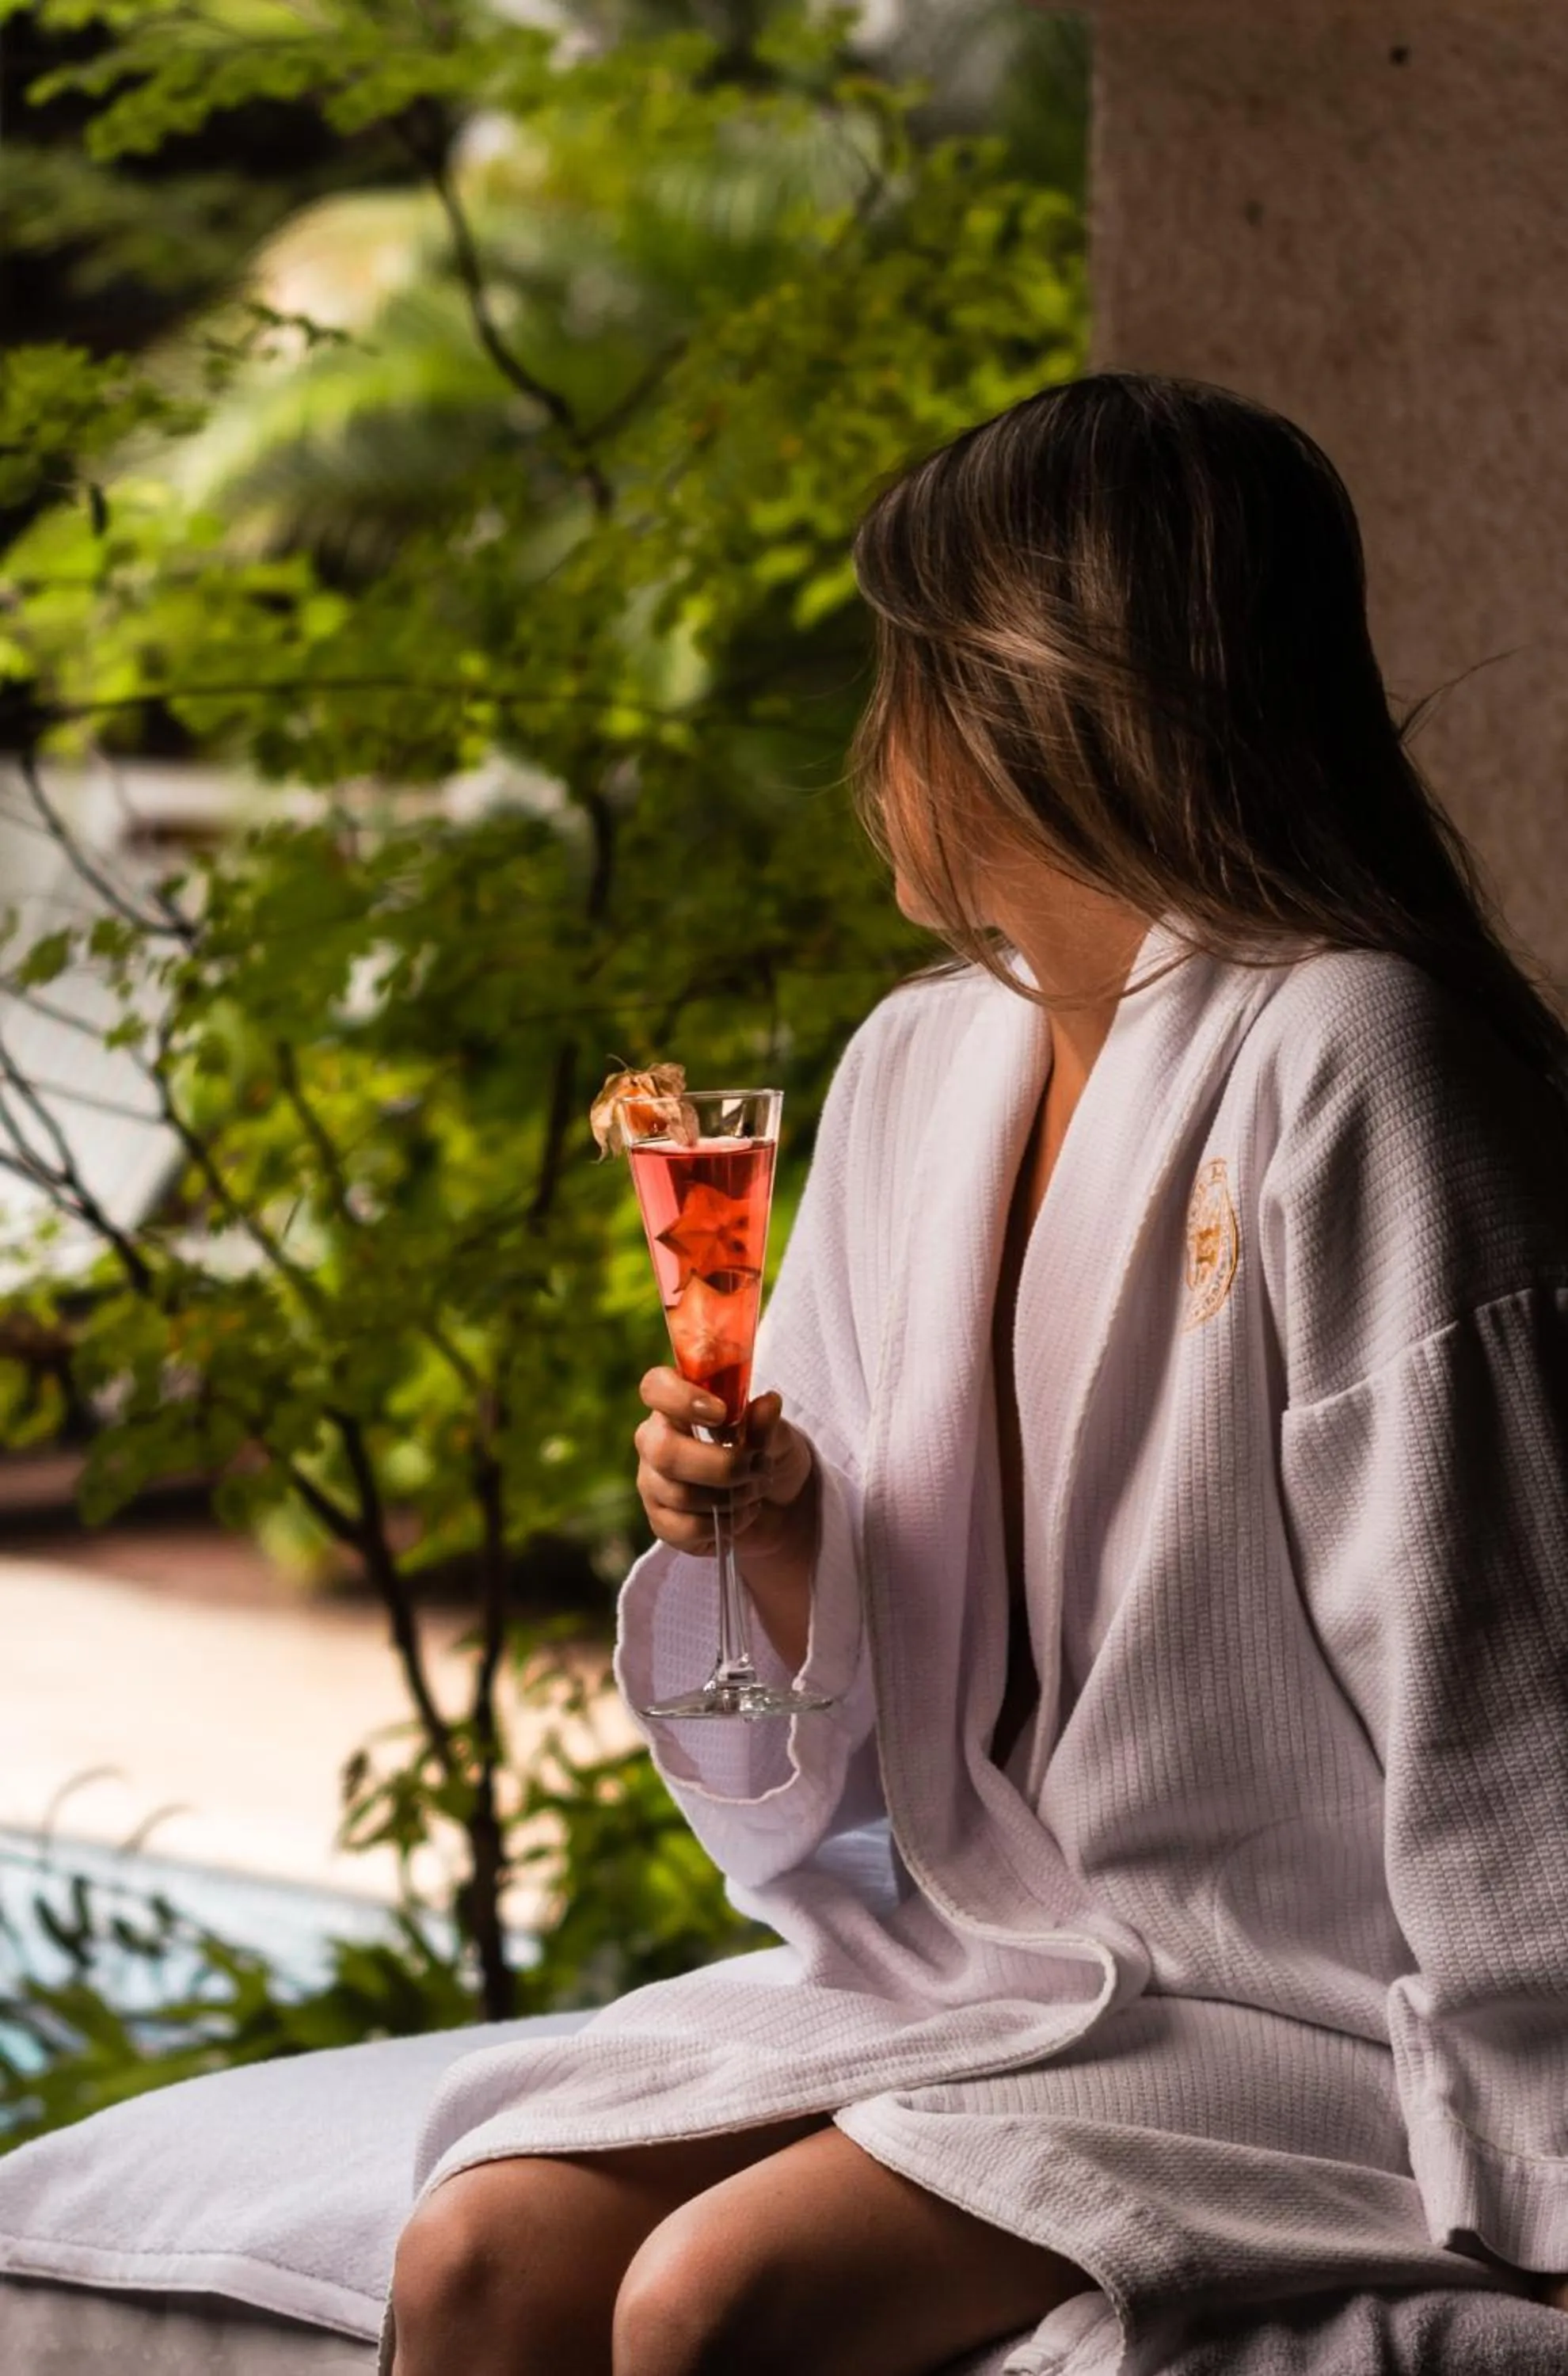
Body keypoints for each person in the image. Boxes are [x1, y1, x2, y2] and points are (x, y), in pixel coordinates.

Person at [386, 374, 1568, 2376]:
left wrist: (1547, 2164)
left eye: (905, 684)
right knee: (482, 2260)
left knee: (713, 2297)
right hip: (985, 1960)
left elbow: (1504, 1672)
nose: (876, 751)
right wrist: (774, 1539)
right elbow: (838, 1746)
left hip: (1300, 2005)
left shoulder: (1354, 1055)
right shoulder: (919, 1065)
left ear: (1037, 698)